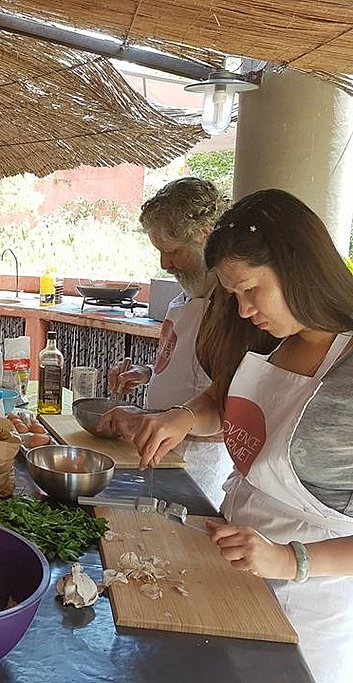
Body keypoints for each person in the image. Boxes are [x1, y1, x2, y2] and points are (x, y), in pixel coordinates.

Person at [100, 189, 353, 683]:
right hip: (232, 556)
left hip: (310, 599)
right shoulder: (276, 340)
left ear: (297, 267)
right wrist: (183, 418)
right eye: (234, 295)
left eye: (250, 290)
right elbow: (222, 401)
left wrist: (289, 559)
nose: (242, 310)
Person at [107, 177, 233, 507]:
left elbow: (235, 416)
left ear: (205, 235)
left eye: (172, 252)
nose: (164, 264)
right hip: (161, 449)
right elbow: (187, 362)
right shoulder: (190, 292)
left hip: (198, 467)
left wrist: (150, 420)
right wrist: (148, 371)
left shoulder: (235, 307)